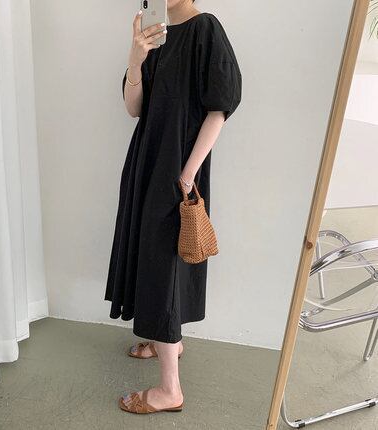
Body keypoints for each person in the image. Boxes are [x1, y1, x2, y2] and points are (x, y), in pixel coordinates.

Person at [104, 0, 242, 414]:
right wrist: (135, 60)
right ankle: (168, 341)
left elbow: (220, 107)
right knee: (154, 258)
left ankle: (170, 390)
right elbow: (134, 108)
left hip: (179, 168)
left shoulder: (205, 29)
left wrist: (187, 175)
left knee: (164, 264)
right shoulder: (154, 32)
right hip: (147, 163)